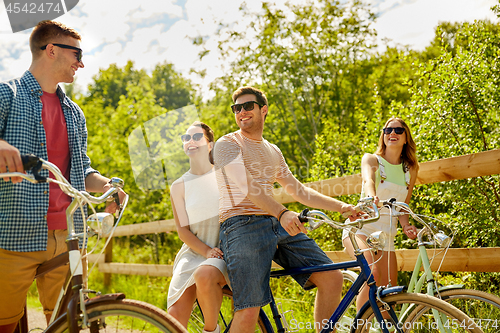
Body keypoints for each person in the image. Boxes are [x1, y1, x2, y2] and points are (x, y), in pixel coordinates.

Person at [0, 20, 125, 333]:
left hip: (69, 236)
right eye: (77, 54)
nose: (80, 63)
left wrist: (108, 186)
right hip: (13, 235)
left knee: (68, 326)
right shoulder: (6, 96)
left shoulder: (74, 112)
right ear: (51, 50)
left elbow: (80, 169)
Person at [213, 86, 360, 333]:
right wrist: (282, 212)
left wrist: (343, 207)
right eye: (236, 108)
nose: (241, 112)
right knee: (249, 311)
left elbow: (299, 191)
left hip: (275, 224)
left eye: (248, 106)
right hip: (240, 225)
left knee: (332, 278)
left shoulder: (273, 150)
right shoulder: (226, 144)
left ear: (264, 110)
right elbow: (246, 186)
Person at [342, 117, 419, 312]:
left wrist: (406, 225)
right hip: (361, 227)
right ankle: (361, 328)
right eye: (388, 130)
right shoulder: (372, 159)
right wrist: (372, 197)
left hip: (386, 235)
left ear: (406, 137)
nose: (392, 133)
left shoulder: (410, 168)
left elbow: (402, 205)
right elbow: (368, 181)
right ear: (383, 135)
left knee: (389, 294)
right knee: (372, 274)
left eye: (398, 130)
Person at [167, 122, 229, 333]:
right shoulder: (179, 186)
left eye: (196, 137)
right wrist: (205, 250)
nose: (190, 142)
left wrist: (213, 252)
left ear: (210, 145)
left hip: (223, 252)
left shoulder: (225, 176)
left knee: (205, 276)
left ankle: (211, 330)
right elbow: (182, 230)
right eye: (186, 138)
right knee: (173, 319)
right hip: (194, 252)